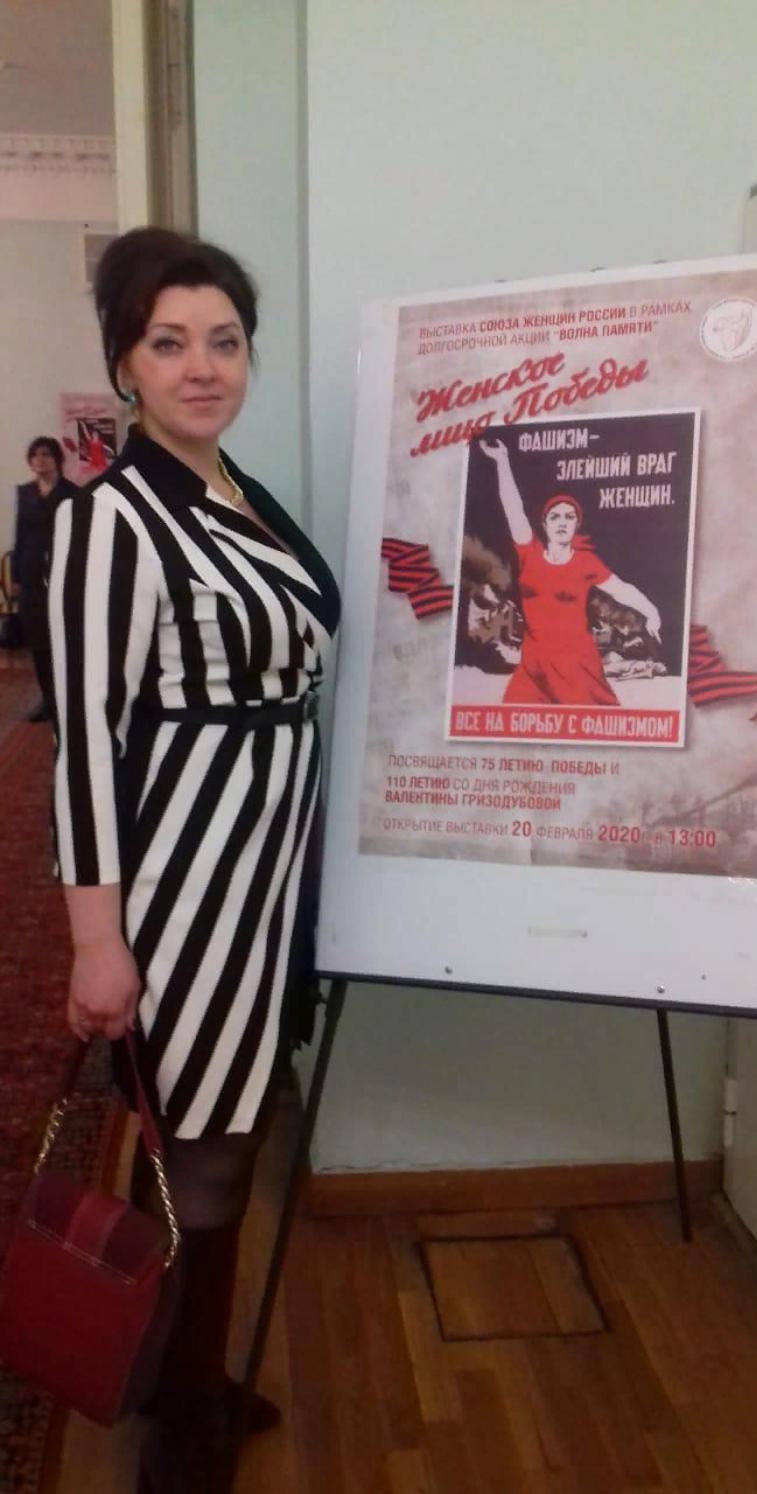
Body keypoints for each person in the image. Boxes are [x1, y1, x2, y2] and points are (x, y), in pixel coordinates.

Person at [47, 227, 340, 1492]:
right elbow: (87, 746)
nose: (202, 366)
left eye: (224, 341)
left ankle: (181, 1377)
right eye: (169, 343)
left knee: (227, 1124)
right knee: (205, 1147)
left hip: (264, 880)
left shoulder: (238, 493)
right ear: (126, 362)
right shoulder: (110, 520)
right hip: (184, 887)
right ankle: (180, 1434)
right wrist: (96, 943)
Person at [479, 437, 660, 706]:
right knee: (513, 720)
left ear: (576, 525)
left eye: (569, 517)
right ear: (544, 524)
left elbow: (622, 589)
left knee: (591, 726)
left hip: (576, 664)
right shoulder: (529, 553)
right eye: (555, 516)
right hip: (534, 665)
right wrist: (502, 461)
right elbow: (513, 509)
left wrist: (652, 612)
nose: (562, 522)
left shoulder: (586, 562)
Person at [12, 436, 78, 720]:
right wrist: (15, 575)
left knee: (63, 640)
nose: (40, 460)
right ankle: (48, 699)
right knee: (38, 642)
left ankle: (69, 698)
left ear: (57, 459)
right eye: (35, 455)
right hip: (30, 576)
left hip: (63, 575)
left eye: (46, 454)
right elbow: (20, 535)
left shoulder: (72, 493)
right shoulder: (25, 492)